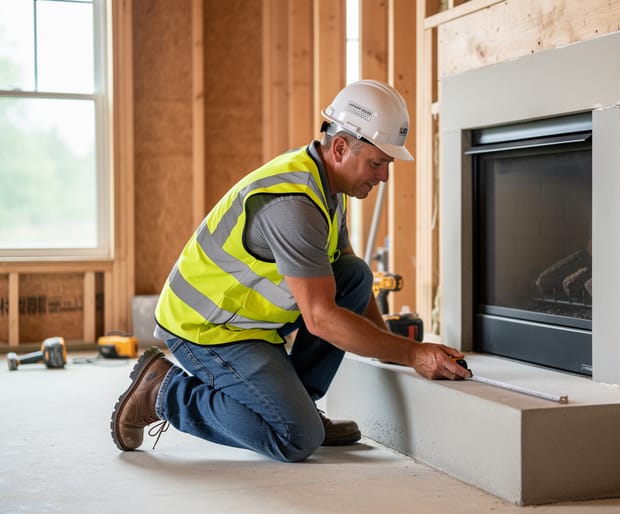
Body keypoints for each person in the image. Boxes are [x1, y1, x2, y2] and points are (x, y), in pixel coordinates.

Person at [109, 80, 472, 462]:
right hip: (206, 329)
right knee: (296, 438)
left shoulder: (327, 188)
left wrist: (387, 347)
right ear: (340, 147)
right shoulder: (293, 204)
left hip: (247, 324)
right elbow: (320, 318)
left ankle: (295, 404)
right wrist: (412, 353)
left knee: (354, 274)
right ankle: (163, 392)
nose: (384, 177)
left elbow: (349, 281)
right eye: (378, 163)